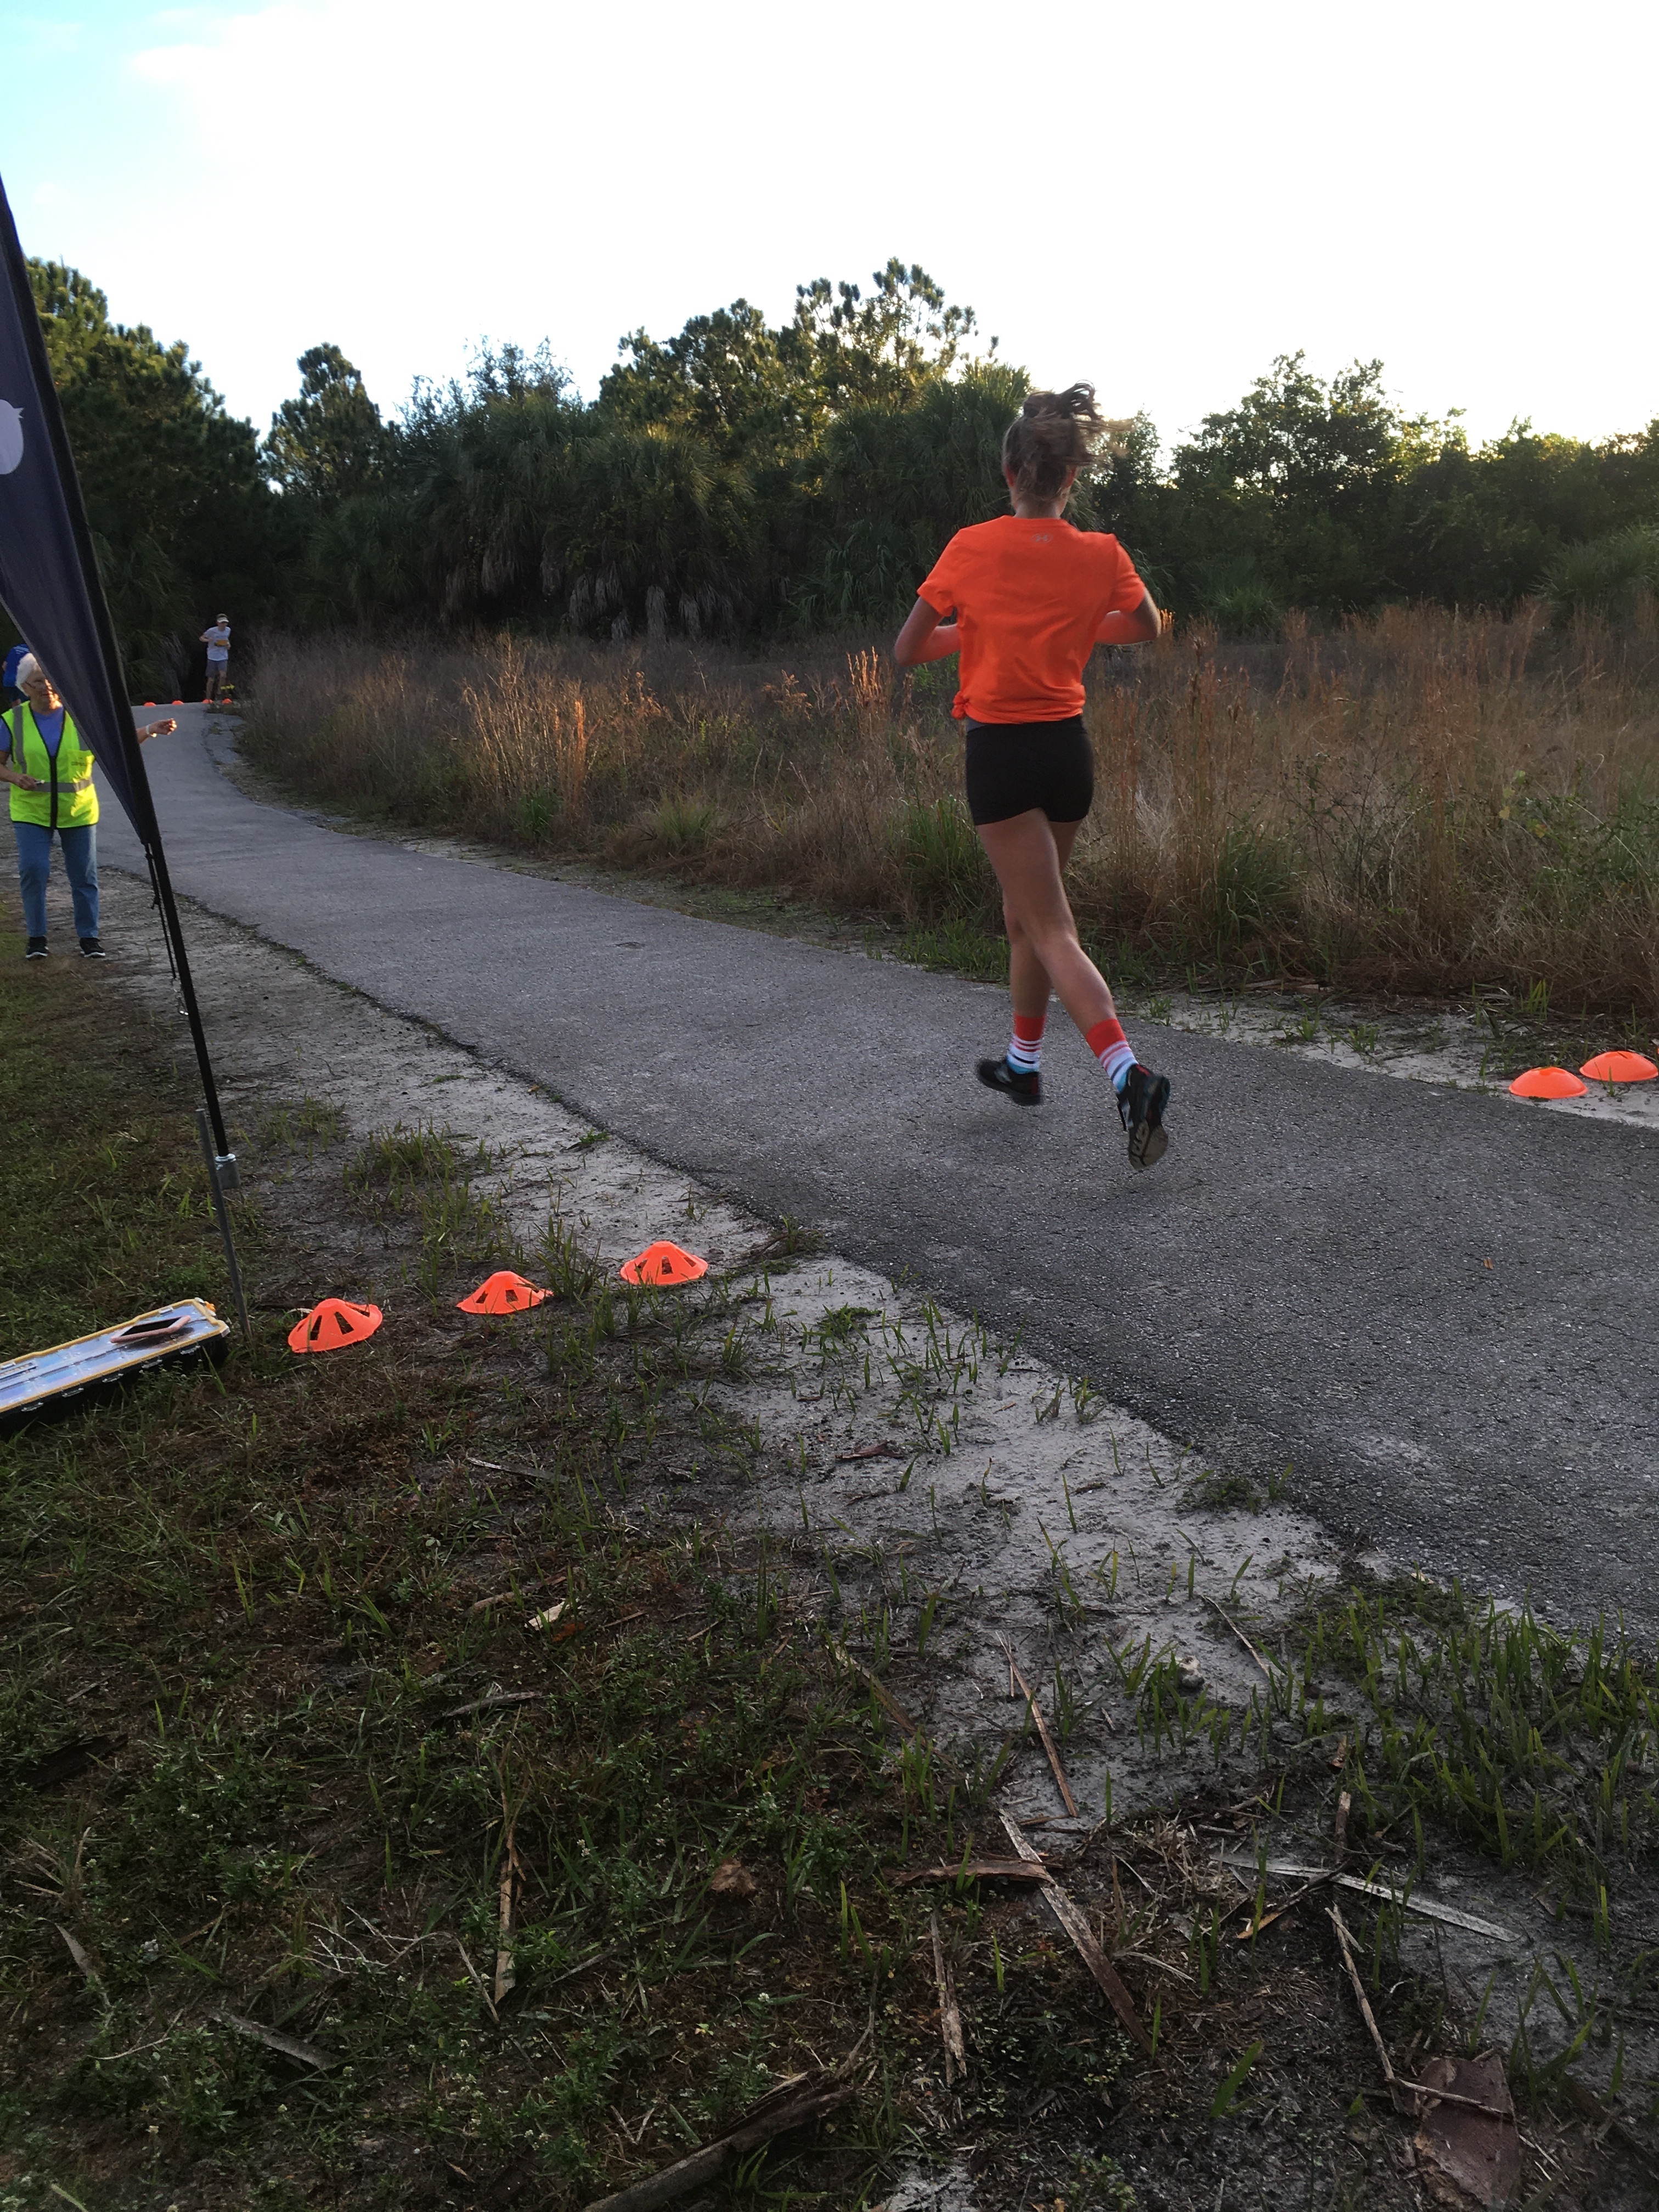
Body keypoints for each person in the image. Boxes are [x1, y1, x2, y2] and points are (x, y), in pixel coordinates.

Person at [893, 385, 1172, 1170]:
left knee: (1050, 928)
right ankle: (1022, 1065)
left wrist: (975, 634)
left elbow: (908, 649)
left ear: (1009, 470)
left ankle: (1130, 1076)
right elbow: (1148, 627)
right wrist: (1079, 625)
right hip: (1066, 753)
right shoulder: (1102, 553)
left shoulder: (971, 547)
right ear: (1070, 478)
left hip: (1004, 756)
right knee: (1027, 919)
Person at [1, 656, 176, 959]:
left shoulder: (81, 717)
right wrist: (16, 777)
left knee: (84, 876)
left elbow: (117, 746)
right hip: (31, 812)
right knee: (34, 870)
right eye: (39, 681)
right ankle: (37, 939)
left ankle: (89, 939)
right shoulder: (10, 721)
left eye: (51, 679)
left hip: (78, 811)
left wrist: (150, 729)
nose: (47, 687)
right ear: (25, 687)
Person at [200, 613, 231, 702]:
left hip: (223, 656)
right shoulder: (212, 631)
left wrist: (228, 645)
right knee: (211, 679)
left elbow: (226, 640)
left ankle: (219, 694)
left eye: (225, 623)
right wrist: (207, 640)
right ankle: (208, 698)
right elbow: (202, 638)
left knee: (223, 676)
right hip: (212, 657)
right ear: (218, 623)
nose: (224, 625)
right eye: (222, 623)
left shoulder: (228, 630)